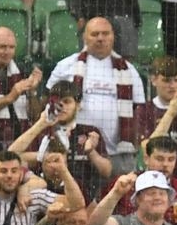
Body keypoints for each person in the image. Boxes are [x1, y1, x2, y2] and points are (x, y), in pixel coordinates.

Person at [45, 18, 143, 170]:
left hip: (117, 153)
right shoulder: (65, 66)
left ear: (113, 36)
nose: (100, 38)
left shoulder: (129, 70)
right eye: (95, 34)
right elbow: (49, 105)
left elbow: (138, 111)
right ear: (84, 37)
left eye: (105, 34)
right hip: (74, 151)